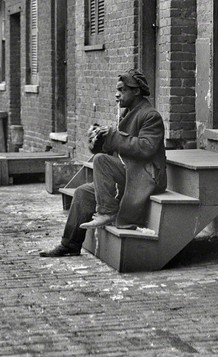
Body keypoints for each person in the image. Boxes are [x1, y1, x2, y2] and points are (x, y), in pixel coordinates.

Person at [40, 69, 167, 257]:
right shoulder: (128, 114)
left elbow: (146, 148)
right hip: (130, 173)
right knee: (82, 193)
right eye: (117, 90)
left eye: (122, 90)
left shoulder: (150, 115)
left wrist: (113, 136)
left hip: (146, 176)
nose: (117, 94)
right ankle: (70, 245)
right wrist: (97, 141)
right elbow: (118, 148)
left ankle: (107, 213)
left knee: (101, 161)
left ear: (136, 91)